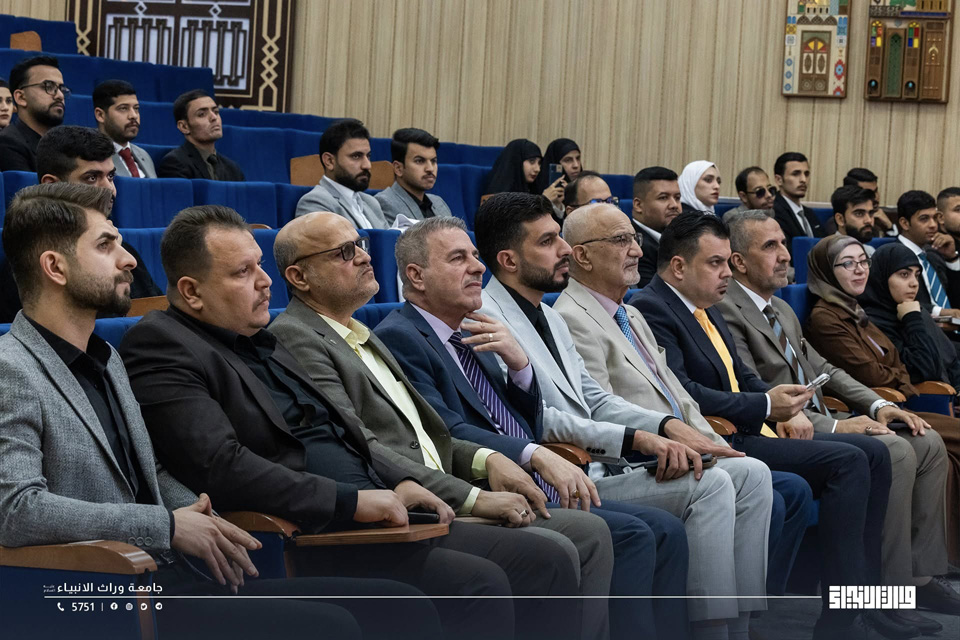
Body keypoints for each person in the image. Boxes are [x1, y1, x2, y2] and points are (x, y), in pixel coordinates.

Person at [118, 204, 584, 640]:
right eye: (243, 272)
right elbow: (222, 464)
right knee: (483, 580)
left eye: (260, 266)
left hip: (378, 507)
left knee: (542, 556)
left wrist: (399, 483)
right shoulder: (165, 344)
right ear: (191, 291)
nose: (264, 282)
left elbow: (344, 432)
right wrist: (354, 499)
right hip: (318, 529)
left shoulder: (256, 340)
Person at [0, 182, 442, 640]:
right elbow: (14, 509)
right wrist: (169, 525)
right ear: (55, 267)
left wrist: (198, 513)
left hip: (176, 574)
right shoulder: (9, 369)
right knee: (334, 625)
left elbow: (148, 470)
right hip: (104, 596)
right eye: (105, 245)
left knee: (401, 607)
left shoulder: (106, 358)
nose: (129, 259)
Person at [269, 212, 655, 640]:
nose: (364, 256)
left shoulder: (361, 331)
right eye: (345, 252)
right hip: (404, 505)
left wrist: (488, 455)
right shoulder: (301, 335)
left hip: (447, 486)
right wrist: (474, 496)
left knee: (588, 535)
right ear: (299, 277)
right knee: (556, 550)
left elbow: (430, 432)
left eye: (360, 245)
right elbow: (363, 442)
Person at [370, 214, 691, 639]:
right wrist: (532, 453)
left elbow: (525, 419)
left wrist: (521, 368)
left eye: (475, 255)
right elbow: (445, 431)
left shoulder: (473, 328)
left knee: (660, 529)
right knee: (629, 533)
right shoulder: (401, 337)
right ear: (416, 276)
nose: (477, 267)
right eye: (458, 258)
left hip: (536, 479)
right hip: (481, 488)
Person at [474, 192, 775, 640]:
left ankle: (740, 628)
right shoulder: (486, 317)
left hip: (598, 462)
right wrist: (637, 439)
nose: (564, 250)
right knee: (711, 484)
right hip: (569, 470)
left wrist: (666, 426)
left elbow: (595, 398)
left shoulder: (547, 315)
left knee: (751, 473)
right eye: (548, 241)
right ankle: (711, 632)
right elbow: (535, 416)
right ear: (509, 260)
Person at [629, 212, 896, 640]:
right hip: (722, 434)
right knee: (847, 461)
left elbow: (741, 375)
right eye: (716, 263)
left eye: (726, 262)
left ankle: (867, 599)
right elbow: (685, 392)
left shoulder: (705, 305)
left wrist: (777, 401)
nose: (726, 272)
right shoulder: (653, 308)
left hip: (750, 424)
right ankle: (841, 618)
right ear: (679, 267)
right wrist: (766, 405)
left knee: (876, 454)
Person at [555, 203, 811, 599]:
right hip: (638, 460)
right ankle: (712, 622)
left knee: (755, 472)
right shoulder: (571, 316)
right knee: (721, 482)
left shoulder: (630, 314)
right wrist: (667, 441)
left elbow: (679, 395)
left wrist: (714, 443)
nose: (637, 250)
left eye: (634, 239)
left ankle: (742, 617)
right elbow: (599, 409)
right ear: (583, 256)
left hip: (683, 445)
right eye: (621, 240)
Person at [716, 212, 956, 631]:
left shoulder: (779, 308)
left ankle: (916, 579)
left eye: (783, 244)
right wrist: (837, 427)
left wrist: (877, 406)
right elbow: (753, 391)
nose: (784, 255)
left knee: (928, 442)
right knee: (896, 450)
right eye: (770, 246)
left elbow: (822, 368)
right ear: (738, 261)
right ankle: (881, 593)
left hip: (822, 415)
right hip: (784, 426)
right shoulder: (726, 310)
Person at [808, 237, 960, 574]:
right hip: (861, 410)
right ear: (827, 270)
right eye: (848, 263)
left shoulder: (857, 311)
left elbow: (902, 368)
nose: (860, 269)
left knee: (934, 445)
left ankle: (925, 573)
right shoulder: (826, 318)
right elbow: (873, 375)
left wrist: (897, 375)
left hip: (893, 403)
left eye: (864, 261)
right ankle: (898, 578)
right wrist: (897, 377)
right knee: (923, 444)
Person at [0, 126, 162, 323]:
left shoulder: (125, 251)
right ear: (51, 185)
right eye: (92, 178)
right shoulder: (25, 265)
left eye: (110, 176)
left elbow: (156, 314)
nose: (109, 190)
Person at [295, 118, 387, 229]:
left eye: (368, 156)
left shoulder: (371, 203)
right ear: (329, 161)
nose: (367, 165)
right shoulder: (315, 202)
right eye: (356, 156)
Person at [895, 189, 960, 316]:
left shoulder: (933, 256)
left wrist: (951, 259)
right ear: (905, 223)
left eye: (935, 218)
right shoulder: (893, 255)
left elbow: (955, 300)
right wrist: (940, 312)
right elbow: (897, 302)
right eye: (924, 219)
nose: (933, 225)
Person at [157, 89, 244, 181]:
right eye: (202, 114)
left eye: (216, 112)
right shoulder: (175, 163)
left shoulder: (233, 169)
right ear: (184, 127)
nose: (214, 117)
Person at [375, 127, 453, 225]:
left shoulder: (439, 203)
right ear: (398, 168)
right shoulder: (384, 203)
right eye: (419, 161)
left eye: (433, 161)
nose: (430, 168)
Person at [0, 55, 66, 172]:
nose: (60, 95)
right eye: (48, 86)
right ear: (21, 98)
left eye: (61, 88)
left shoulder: (64, 143)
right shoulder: (7, 143)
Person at [93, 79, 157, 179]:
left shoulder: (144, 155)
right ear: (100, 115)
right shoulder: (90, 155)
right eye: (123, 108)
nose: (134, 115)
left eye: (136, 108)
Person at [631, 166, 682, 288]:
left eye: (677, 198)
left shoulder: (678, 238)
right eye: (663, 198)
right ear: (638, 205)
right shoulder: (634, 246)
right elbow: (656, 293)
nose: (674, 205)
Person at [486, 139, 565, 212]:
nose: (537, 169)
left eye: (539, 163)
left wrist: (556, 204)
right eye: (532, 162)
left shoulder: (533, 188)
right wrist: (542, 201)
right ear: (517, 162)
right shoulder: (497, 194)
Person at [772, 152, 824, 259]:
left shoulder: (809, 213)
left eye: (806, 174)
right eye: (796, 174)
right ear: (779, 180)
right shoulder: (773, 212)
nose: (803, 180)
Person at [844, 167, 895, 237]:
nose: (876, 197)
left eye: (876, 191)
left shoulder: (883, 217)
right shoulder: (840, 224)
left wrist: (889, 226)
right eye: (869, 193)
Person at [831, 185, 877, 254]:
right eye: (859, 214)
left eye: (871, 213)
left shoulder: (870, 251)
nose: (869, 220)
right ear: (840, 219)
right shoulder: (828, 254)